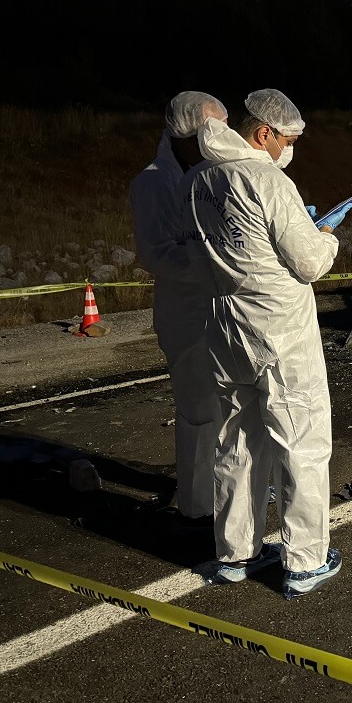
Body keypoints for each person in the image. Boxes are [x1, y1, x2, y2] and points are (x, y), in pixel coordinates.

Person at [181, 89, 352, 598]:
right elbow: (309, 263)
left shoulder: (198, 180)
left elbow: (211, 252)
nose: (290, 150)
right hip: (279, 330)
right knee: (301, 441)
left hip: (224, 328)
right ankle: (305, 561)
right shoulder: (267, 179)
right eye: (289, 140)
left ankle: (236, 554)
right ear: (264, 134)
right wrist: (325, 233)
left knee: (236, 441)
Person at [129, 91, 227, 529]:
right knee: (198, 411)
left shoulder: (210, 173)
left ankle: (222, 493)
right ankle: (194, 508)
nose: (219, 137)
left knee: (226, 409)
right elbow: (157, 254)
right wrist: (214, 256)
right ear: (184, 130)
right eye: (212, 128)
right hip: (187, 316)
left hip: (219, 310)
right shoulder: (154, 182)